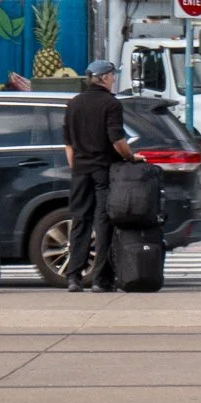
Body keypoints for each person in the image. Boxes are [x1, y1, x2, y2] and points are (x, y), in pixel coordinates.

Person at [62, 58, 138, 292]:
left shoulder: (74, 103)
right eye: (112, 75)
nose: (114, 79)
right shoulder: (111, 104)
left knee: (80, 222)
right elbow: (117, 140)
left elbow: (68, 145)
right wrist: (131, 157)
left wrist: (77, 167)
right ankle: (100, 279)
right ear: (104, 77)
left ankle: (74, 277)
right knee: (103, 222)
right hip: (104, 170)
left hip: (80, 170)